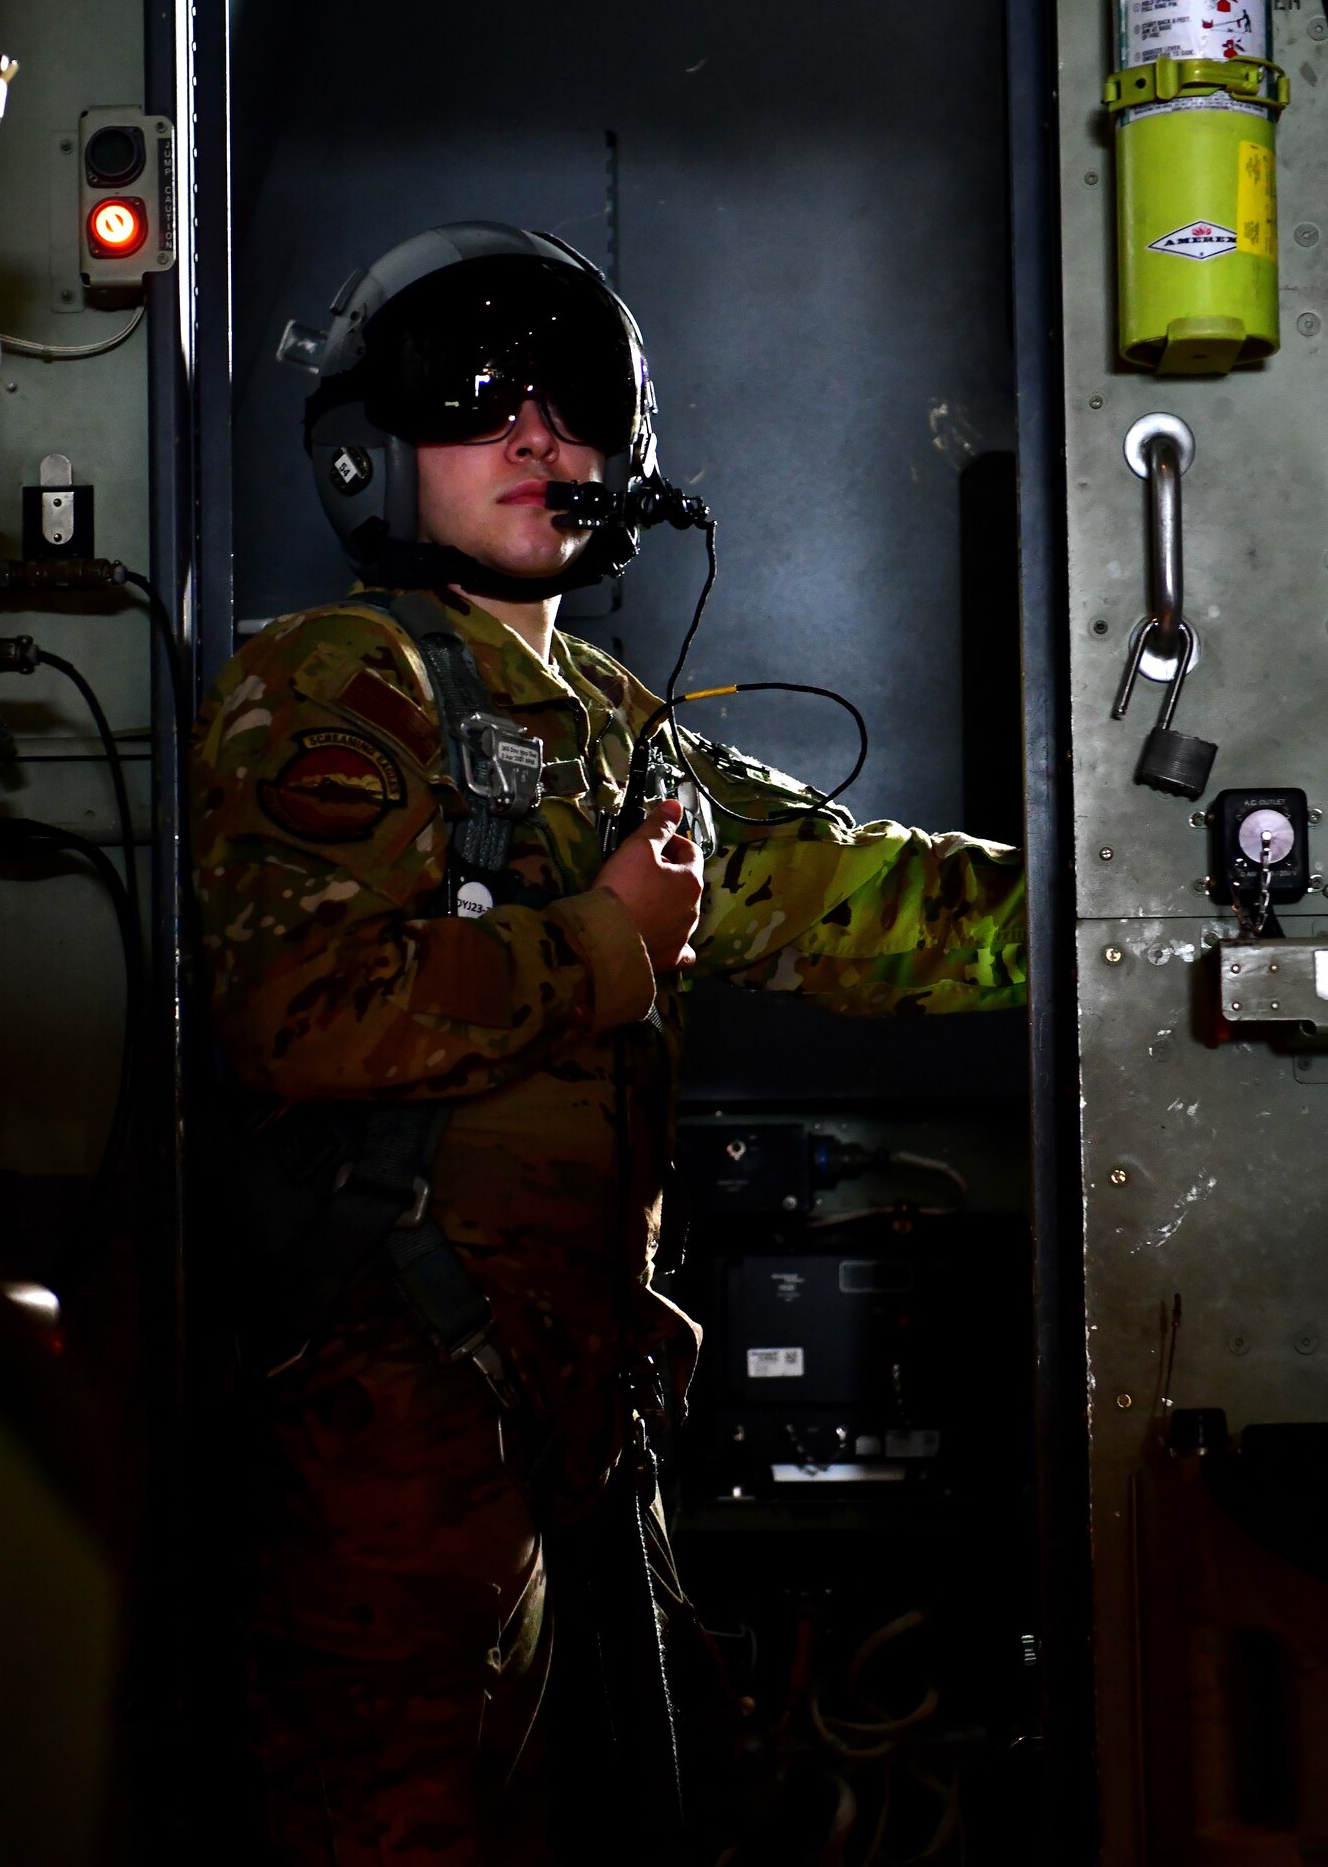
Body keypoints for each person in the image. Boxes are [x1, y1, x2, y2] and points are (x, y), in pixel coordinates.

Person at [190, 221, 1027, 1866]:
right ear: (375, 448)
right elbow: (297, 1014)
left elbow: (868, 903)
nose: (533, 435)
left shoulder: (620, 731)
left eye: (570, 402)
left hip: (582, 1424)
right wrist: (599, 947)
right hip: (395, 1440)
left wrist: (1145, 914)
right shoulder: (336, 684)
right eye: (472, 396)